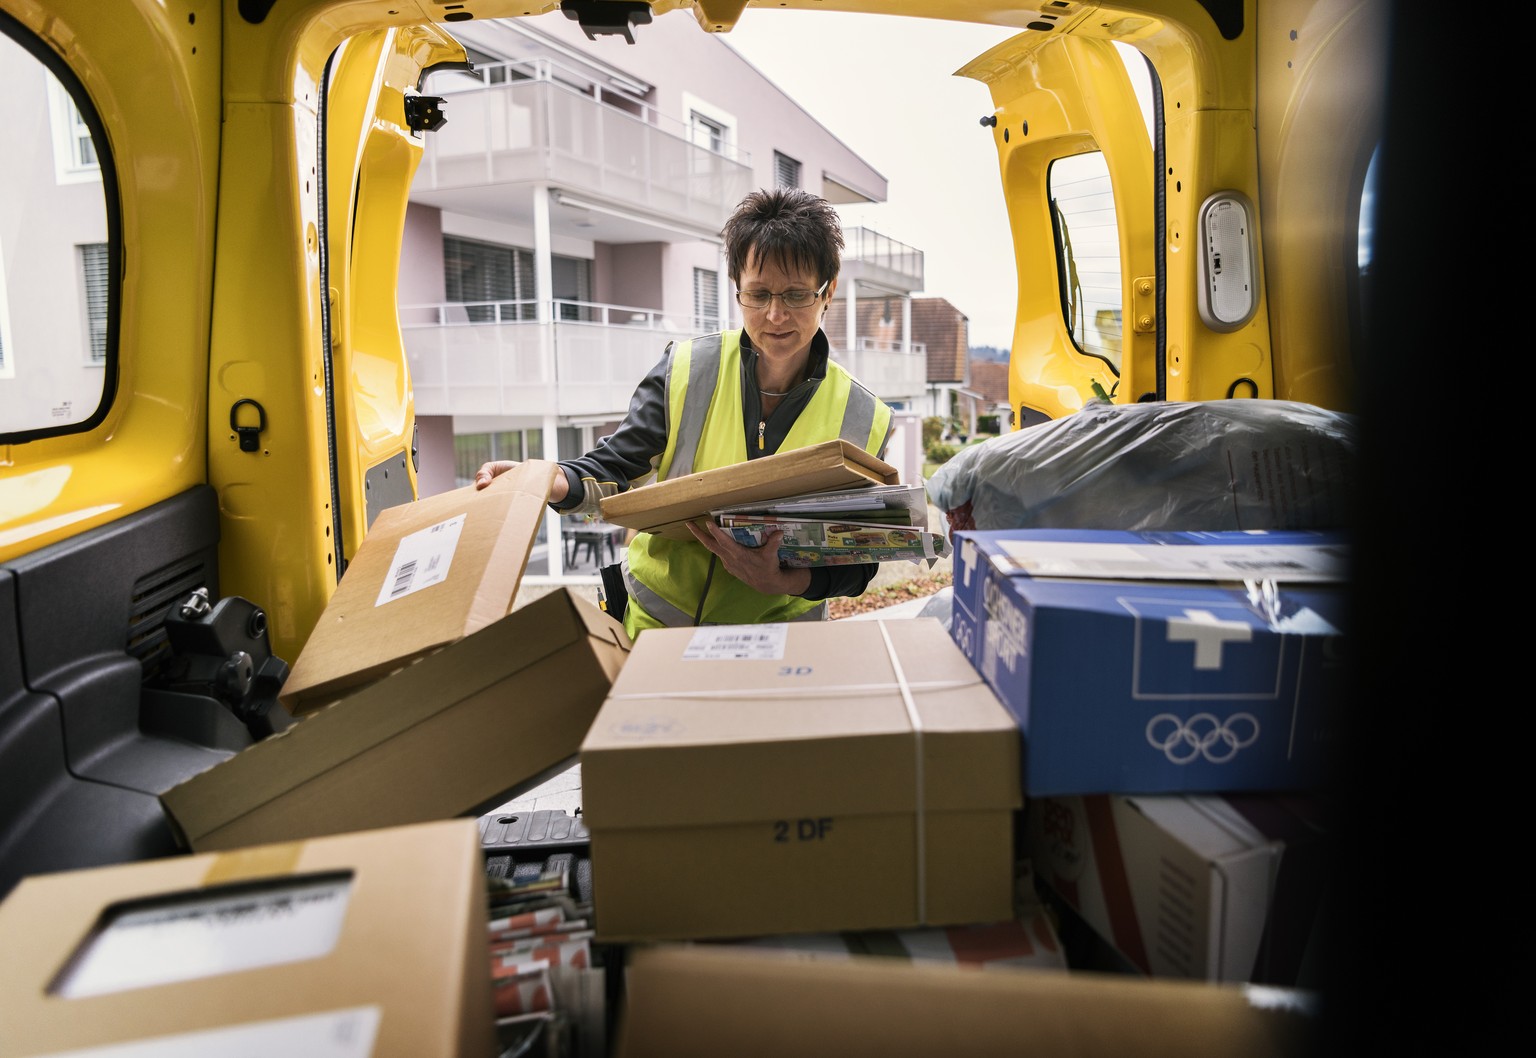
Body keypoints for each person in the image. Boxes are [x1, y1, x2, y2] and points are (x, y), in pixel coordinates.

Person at [474, 187, 894, 637]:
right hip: (657, 636)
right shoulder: (687, 370)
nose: (775, 315)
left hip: (780, 647)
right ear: (737, 291)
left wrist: (787, 580)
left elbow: (862, 559)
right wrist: (548, 479)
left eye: (795, 295)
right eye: (758, 294)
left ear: (827, 291)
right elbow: (616, 466)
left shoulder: (863, 416)